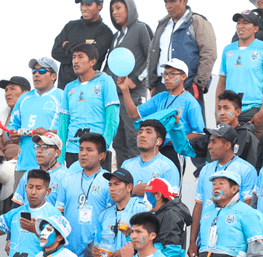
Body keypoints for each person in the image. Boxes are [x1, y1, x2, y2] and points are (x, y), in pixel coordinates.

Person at [120, 58, 205, 173]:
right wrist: (125, 90)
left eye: (172, 74)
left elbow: (199, 133)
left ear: (183, 77)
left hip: (174, 151)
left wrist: (174, 140)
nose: (166, 78)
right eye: (165, 74)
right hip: (155, 150)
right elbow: (134, 113)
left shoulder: (190, 102)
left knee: (170, 189)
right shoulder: (160, 97)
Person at [189, 124, 257, 257]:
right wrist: (192, 242)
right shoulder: (205, 170)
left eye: (214, 141)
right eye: (210, 141)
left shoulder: (246, 169)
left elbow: (248, 208)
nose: (209, 146)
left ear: (227, 145)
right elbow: (198, 206)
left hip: (232, 248)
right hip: (205, 244)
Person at [147, 0, 217, 120]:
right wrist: (153, 84)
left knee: (191, 130)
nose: (168, 6)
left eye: (172, 1)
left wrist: (198, 84)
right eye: (166, 2)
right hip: (161, 87)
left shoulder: (198, 22)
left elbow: (209, 53)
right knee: (158, 130)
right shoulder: (162, 25)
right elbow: (152, 54)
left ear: (184, 1)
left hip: (188, 85)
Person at [104, 0, 152, 167]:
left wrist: (136, 79)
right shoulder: (116, 36)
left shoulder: (141, 28)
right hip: (115, 96)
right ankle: (124, 178)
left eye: (118, 8)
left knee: (134, 138)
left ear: (129, 8)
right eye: (112, 9)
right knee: (118, 141)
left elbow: (151, 57)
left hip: (134, 94)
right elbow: (111, 64)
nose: (114, 12)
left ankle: (137, 177)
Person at [58, 44, 119, 170]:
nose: (75, 61)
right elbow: (62, 124)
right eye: (74, 57)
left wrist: (103, 147)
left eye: (80, 57)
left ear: (92, 61)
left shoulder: (105, 81)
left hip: (96, 150)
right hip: (73, 150)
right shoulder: (69, 87)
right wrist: (59, 154)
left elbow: (112, 118)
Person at [7, 57, 62, 184]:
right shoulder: (24, 98)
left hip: (51, 167)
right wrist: (11, 134)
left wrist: (48, 132)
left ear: (53, 76)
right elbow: (12, 125)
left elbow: (70, 129)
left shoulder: (62, 96)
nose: (36, 74)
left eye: (42, 71)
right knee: (21, 204)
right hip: (24, 165)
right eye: (34, 71)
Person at [216, 10, 263, 137]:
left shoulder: (261, 48)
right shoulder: (228, 49)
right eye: (238, 23)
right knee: (228, 153)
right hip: (229, 110)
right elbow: (222, 82)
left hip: (253, 110)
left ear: (255, 28)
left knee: (252, 154)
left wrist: (261, 112)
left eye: (245, 23)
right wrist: (218, 111)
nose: (240, 26)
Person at [51, 0, 113, 90]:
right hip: (63, 89)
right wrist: (83, 52)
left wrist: (67, 46)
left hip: (88, 89)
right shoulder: (70, 26)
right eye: (82, 4)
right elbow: (55, 52)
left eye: (88, 5)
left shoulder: (105, 32)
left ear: (100, 5)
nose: (84, 8)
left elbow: (91, 57)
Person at [120, 120, 180, 196]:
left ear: (159, 141)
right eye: (140, 132)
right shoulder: (126, 165)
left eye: (148, 132)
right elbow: (115, 195)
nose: (142, 135)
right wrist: (134, 190)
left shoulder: (167, 167)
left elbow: (172, 199)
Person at [12, 132, 69, 206]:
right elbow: (16, 205)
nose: (39, 151)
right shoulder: (28, 174)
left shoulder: (66, 176)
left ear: (57, 152)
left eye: (45, 147)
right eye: (37, 146)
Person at [0, 76, 30, 161]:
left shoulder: (36, 116)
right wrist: (4, 163)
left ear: (25, 93)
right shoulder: (2, 118)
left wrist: (21, 159)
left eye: (12, 89)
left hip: (30, 160)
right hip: (7, 165)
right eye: (6, 90)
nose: (7, 93)